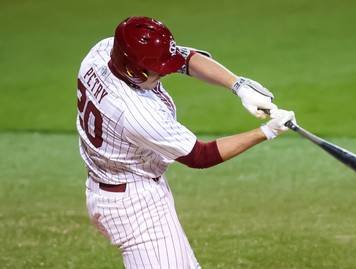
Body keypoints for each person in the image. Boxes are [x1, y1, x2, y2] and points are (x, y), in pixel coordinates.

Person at [76, 16, 295, 269]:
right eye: (158, 71)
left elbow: (184, 59)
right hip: (135, 206)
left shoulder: (103, 52)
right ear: (132, 72)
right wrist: (266, 131)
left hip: (109, 186)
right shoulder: (135, 114)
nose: (167, 72)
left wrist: (239, 86)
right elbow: (200, 156)